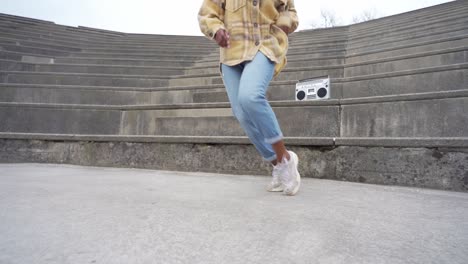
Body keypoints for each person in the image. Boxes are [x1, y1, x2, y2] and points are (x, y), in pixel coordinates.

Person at [198, 0, 300, 195]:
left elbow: (290, 11)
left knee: (250, 97)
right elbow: (207, 13)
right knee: (242, 113)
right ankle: (276, 164)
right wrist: (216, 29)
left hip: (264, 42)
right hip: (231, 51)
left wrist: (284, 24)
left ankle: (285, 158)